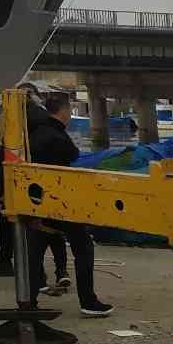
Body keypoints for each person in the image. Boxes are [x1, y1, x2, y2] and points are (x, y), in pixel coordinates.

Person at [0, 80, 68, 289]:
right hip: (41, 179)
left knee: (24, 228)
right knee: (48, 227)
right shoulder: (44, 119)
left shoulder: (12, 118)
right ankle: (58, 272)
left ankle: (35, 275)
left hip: (20, 180)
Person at [28, 91, 114, 317]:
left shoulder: (34, 132)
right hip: (59, 200)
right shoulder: (57, 136)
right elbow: (73, 155)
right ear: (64, 111)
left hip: (36, 199)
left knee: (35, 249)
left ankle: (28, 300)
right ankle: (88, 301)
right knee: (83, 247)